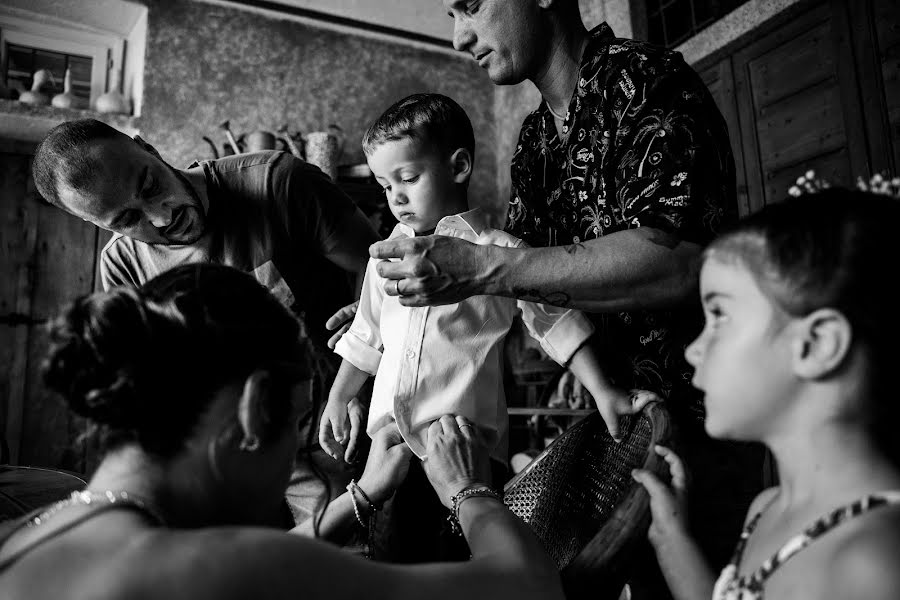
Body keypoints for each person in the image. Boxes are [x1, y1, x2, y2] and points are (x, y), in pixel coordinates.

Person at [325, 0, 758, 582]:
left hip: (703, 416)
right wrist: (400, 316)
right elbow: (528, 287)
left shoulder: (647, 83)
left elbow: (678, 263)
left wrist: (484, 272)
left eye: (471, 6)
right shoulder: (534, 143)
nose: (458, 36)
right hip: (608, 434)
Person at [0, 263, 564, 600]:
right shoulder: (223, 568)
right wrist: (470, 490)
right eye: (295, 423)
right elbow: (526, 590)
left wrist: (360, 496)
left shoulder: (38, 522)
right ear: (251, 412)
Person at [320, 93, 652, 561]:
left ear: (458, 167)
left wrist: (602, 390)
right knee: (395, 573)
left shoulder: (497, 253)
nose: (395, 197)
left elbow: (552, 319)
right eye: (383, 184)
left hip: (466, 458)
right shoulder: (383, 261)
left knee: (465, 575)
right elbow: (366, 337)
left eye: (408, 178)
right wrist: (338, 397)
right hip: (390, 460)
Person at [632, 189, 900, 600]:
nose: (692, 349)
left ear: (816, 345)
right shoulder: (764, 510)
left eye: (719, 314)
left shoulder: (873, 563)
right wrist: (670, 537)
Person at [31, 118, 378, 350]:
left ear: (149, 149)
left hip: (347, 414)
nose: (162, 217)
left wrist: (361, 347)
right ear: (98, 224)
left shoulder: (278, 182)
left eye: (151, 186)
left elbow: (376, 264)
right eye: (127, 219)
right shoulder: (123, 265)